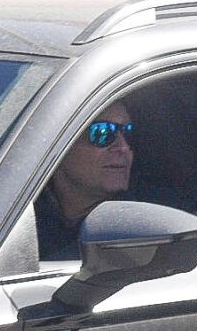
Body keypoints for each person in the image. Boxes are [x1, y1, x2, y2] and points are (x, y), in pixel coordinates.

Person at [38, 102, 133, 259]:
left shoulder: (148, 217)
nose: (123, 147)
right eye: (102, 132)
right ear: (59, 146)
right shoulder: (14, 216)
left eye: (128, 133)